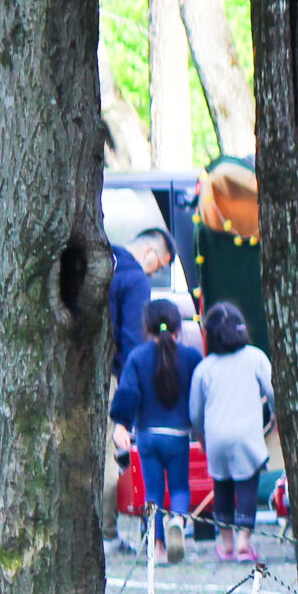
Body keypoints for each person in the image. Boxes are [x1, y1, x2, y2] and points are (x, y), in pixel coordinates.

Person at [110, 296, 201, 562]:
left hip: (147, 435)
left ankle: (158, 546)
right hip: (179, 435)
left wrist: (121, 424)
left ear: (147, 327)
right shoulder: (191, 357)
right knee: (180, 488)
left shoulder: (137, 358)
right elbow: (199, 396)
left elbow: (127, 392)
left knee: (153, 492)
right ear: (178, 327)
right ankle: (178, 523)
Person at [190, 301, 274, 563]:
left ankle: (226, 544)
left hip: (216, 436)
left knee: (222, 485)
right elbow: (273, 391)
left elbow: (195, 411)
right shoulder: (254, 357)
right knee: (247, 484)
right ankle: (243, 544)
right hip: (247, 434)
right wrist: (276, 415)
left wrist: (201, 435)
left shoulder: (205, 368)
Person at [106, 228, 173, 377]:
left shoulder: (100, 258)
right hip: (106, 374)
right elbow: (133, 337)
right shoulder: (137, 280)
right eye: (160, 267)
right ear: (149, 251)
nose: (154, 274)